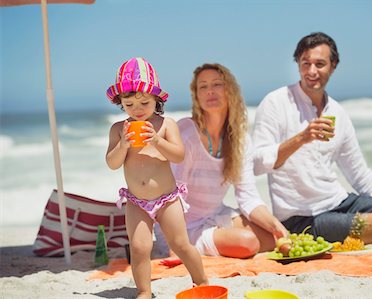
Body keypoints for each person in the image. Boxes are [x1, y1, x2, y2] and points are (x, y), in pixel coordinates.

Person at [252, 32, 372, 245]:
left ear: (333, 65)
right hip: (301, 218)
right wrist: (302, 138)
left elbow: (359, 174)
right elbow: (256, 163)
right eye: (305, 63)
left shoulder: (337, 112)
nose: (311, 71)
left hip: (340, 201)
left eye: (319, 64)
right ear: (298, 64)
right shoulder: (276, 103)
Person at [155, 63, 287, 259]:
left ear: (230, 90)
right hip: (182, 227)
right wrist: (176, 244)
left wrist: (277, 226)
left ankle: (216, 245)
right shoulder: (187, 133)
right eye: (203, 86)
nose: (210, 91)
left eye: (217, 84)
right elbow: (171, 193)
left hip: (216, 215)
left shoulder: (240, 140)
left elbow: (248, 197)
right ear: (196, 96)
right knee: (248, 243)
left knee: (271, 239)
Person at [105, 57, 208, 298]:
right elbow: (112, 163)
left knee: (181, 244)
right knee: (140, 247)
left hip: (167, 199)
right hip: (137, 201)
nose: (137, 109)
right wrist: (122, 145)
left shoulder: (165, 125)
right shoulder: (118, 129)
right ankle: (144, 291)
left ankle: (202, 281)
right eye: (129, 105)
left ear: (156, 99)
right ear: (121, 104)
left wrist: (157, 141)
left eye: (144, 103)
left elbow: (179, 156)